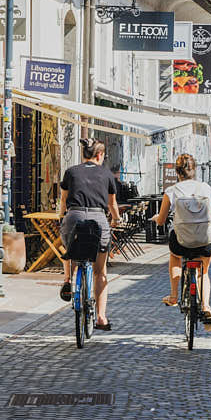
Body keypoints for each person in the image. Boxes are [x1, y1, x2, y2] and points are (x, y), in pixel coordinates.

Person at [154, 154, 211, 330]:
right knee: (204, 272)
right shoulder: (206, 189)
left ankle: (173, 295)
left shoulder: (172, 191)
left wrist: (157, 218)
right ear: (194, 170)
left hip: (182, 242)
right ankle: (206, 307)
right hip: (204, 241)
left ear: (177, 172)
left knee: (174, 256)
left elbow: (162, 219)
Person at [58, 138, 122, 330]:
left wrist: (62, 216)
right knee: (99, 270)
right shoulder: (107, 174)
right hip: (98, 219)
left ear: (83, 154)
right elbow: (112, 204)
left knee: (67, 246)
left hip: (74, 215)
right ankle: (101, 317)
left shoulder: (71, 172)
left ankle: (68, 279)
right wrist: (117, 219)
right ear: (100, 155)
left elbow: (63, 199)